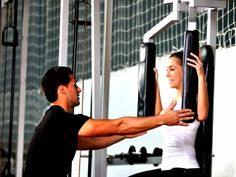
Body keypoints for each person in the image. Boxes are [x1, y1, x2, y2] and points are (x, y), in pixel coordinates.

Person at [22, 66, 194, 177]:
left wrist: (124, 136)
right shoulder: (59, 119)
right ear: (63, 90)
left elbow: (93, 142)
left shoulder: (54, 121)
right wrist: (163, 119)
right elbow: (119, 125)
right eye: (74, 85)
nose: (79, 89)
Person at [129, 51, 208, 177]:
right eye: (167, 70)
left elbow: (203, 115)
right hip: (167, 168)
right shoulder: (172, 103)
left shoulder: (193, 100)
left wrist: (201, 75)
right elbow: (158, 118)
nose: (167, 74)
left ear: (185, 70)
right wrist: (155, 82)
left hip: (185, 169)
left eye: (172, 69)